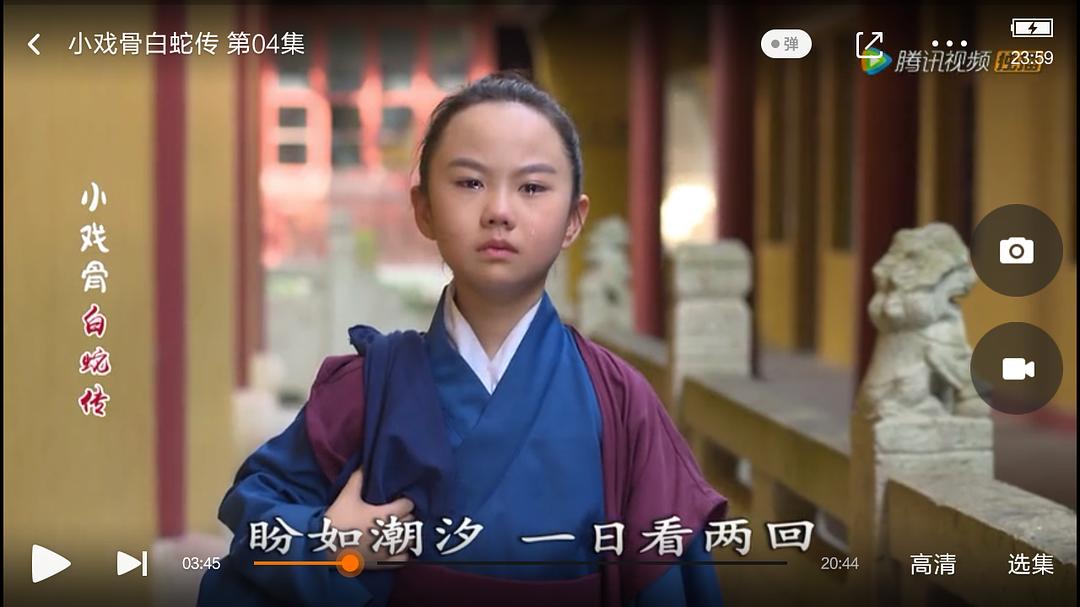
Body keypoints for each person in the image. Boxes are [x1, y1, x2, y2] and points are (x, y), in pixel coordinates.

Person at [198, 72, 727, 607]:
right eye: (470, 182)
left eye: (532, 187)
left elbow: (667, 579)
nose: (499, 210)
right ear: (424, 208)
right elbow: (254, 529)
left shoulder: (620, 401)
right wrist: (327, 545)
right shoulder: (364, 390)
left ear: (574, 220)